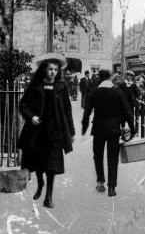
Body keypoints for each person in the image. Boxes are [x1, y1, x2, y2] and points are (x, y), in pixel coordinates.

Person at [17, 53, 75, 209]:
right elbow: (23, 105)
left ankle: (48, 196)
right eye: (50, 69)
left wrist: (71, 131)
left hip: (55, 130)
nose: (53, 72)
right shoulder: (35, 87)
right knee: (39, 163)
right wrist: (31, 117)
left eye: (56, 69)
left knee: (52, 165)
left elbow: (67, 110)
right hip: (38, 130)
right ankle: (40, 183)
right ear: (44, 70)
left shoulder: (61, 87)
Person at [82, 69, 135, 197]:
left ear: (100, 78)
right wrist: (132, 128)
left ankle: (100, 183)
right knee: (112, 158)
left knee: (98, 156)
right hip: (114, 130)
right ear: (110, 77)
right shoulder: (117, 91)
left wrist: (84, 126)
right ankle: (112, 187)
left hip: (98, 129)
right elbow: (127, 111)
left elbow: (87, 111)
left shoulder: (94, 92)